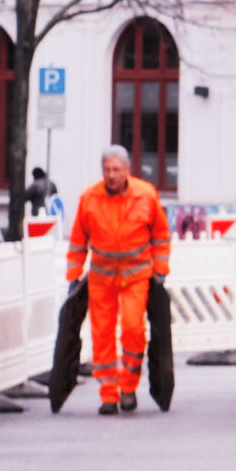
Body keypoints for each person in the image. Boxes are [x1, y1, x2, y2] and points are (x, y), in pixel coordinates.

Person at [66, 144, 171, 415]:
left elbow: (160, 235)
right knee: (102, 336)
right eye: (107, 170)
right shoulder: (89, 198)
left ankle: (128, 387)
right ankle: (108, 395)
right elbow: (78, 240)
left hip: (136, 276)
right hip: (102, 278)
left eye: (116, 169)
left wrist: (160, 270)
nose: (111, 175)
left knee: (133, 330)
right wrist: (73, 276)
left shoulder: (146, 195)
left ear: (127, 170)